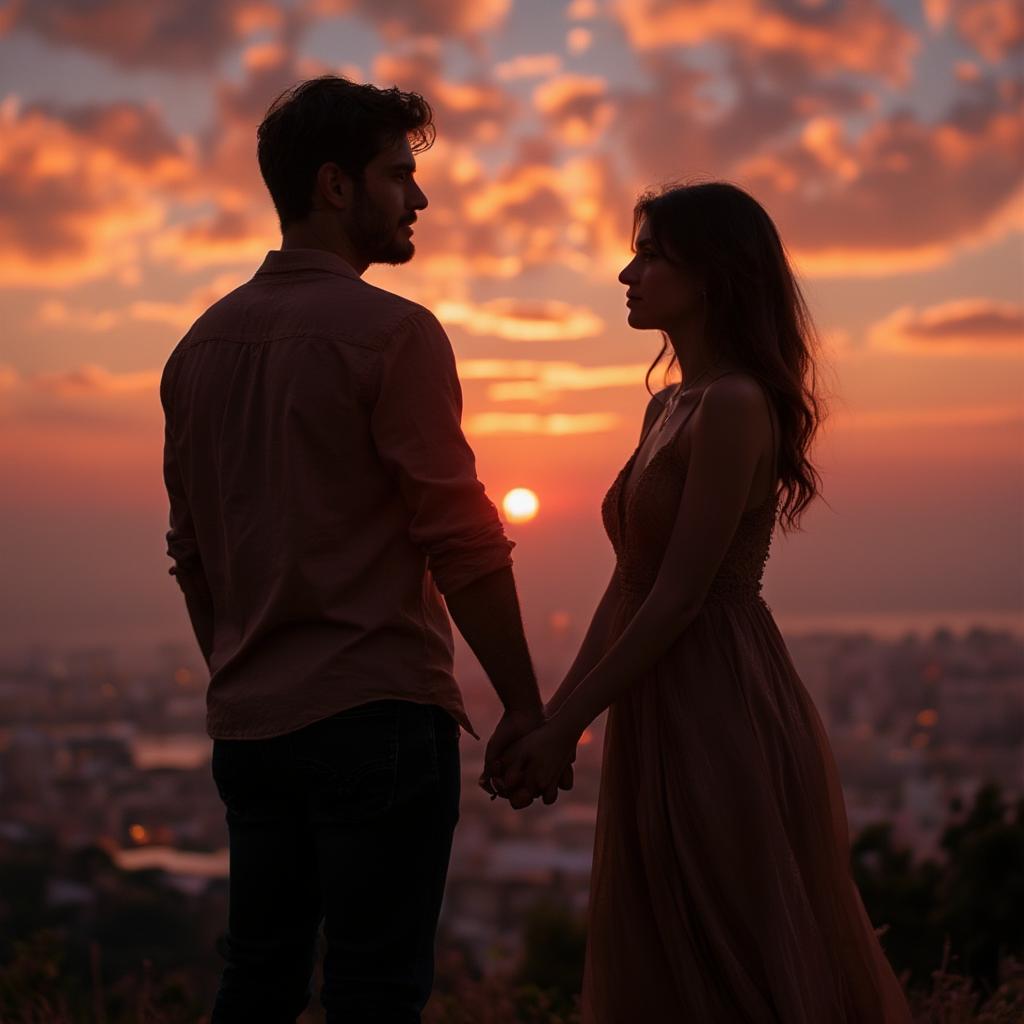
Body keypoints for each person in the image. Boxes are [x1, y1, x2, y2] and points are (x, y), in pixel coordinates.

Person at [160, 75, 565, 1024]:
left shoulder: (196, 349)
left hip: (251, 727)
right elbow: (462, 540)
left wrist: (242, 669)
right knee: (375, 991)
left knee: (256, 979)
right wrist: (524, 706)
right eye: (400, 175)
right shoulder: (394, 336)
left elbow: (192, 553)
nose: (419, 198)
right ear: (337, 187)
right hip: (375, 715)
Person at [487, 182, 913, 1022]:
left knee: (735, 944)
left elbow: (680, 597)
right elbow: (629, 582)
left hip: (719, 693)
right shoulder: (666, 407)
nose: (626, 272)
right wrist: (553, 715)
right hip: (658, 692)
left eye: (650, 254)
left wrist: (567, 725)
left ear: (713, 274)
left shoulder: (736, 406)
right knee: (671, 939)